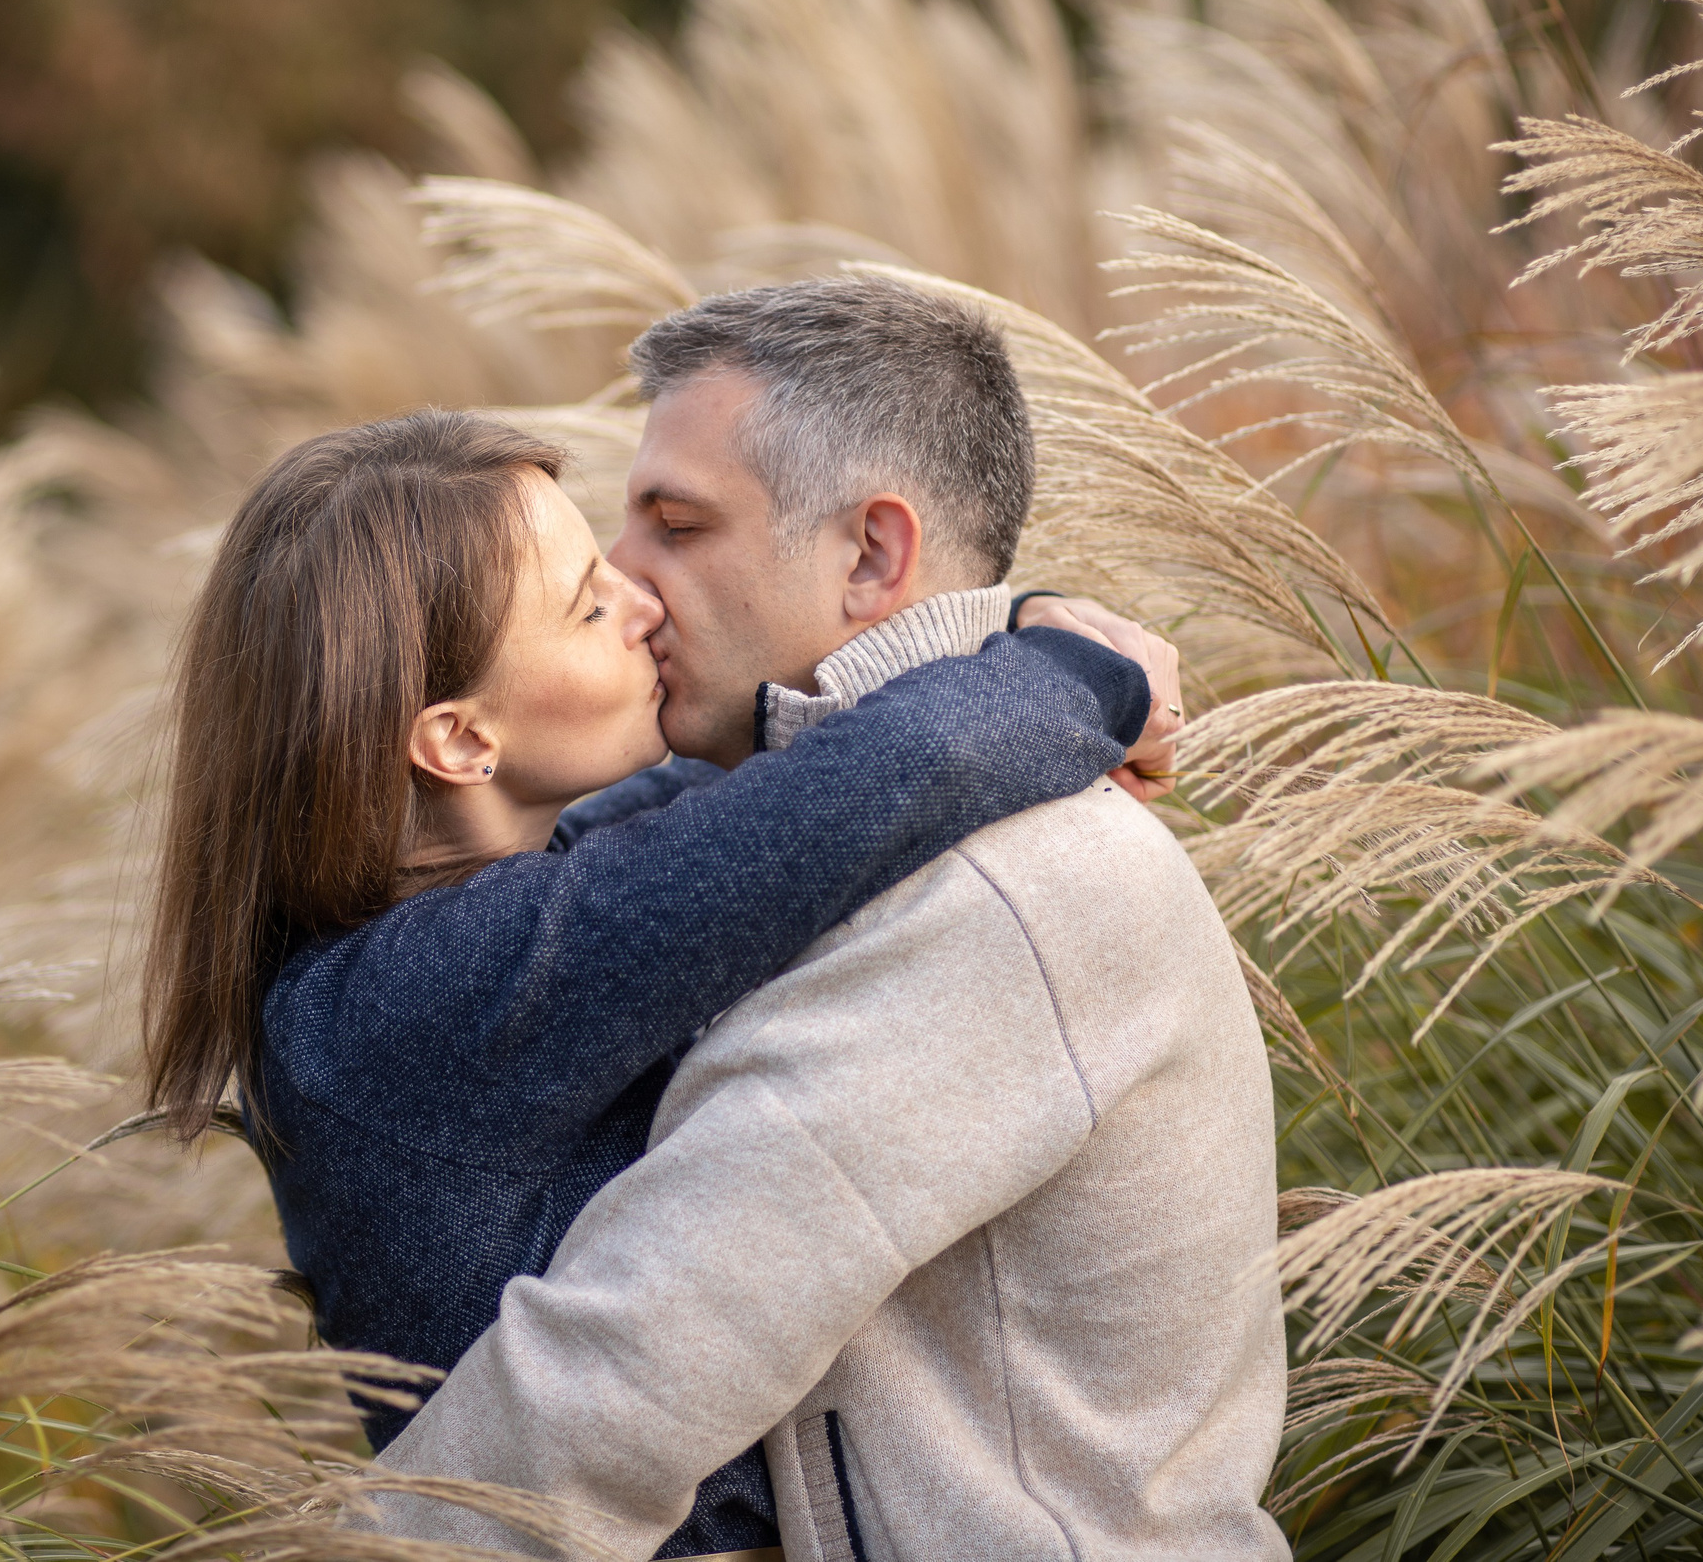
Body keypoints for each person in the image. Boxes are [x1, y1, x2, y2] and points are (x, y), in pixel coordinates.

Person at [141, 406, 1176, 1557]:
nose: (643, 604)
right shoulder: (422, 998)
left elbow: (740, 799)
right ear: (458, 742)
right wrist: (1080, 677)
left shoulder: (433, 942)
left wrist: (1004, 629)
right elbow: (859, 794)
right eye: (588, 605)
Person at [367, 276, 1290, 1561]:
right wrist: (1041, 642)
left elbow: (629, 1365)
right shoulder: (764, 818)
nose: (624, 584)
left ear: (871, 554)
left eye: (675, 526)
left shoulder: (1008, 885)